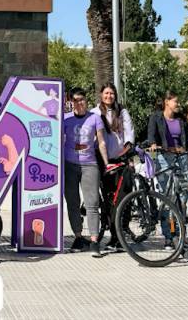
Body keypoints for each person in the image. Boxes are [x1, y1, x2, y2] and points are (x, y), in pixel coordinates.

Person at [63, 88, 110, 258]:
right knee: (72, 202)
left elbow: (102, 142)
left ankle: (94, 240)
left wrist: (107, 164)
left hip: (89, 164)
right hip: (69, 165)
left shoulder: (95, 118)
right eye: (75, 100)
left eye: (81, 99)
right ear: (71, 102)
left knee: (92, 203)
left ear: (86, 100)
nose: (79, 103)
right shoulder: (65, 119)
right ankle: (78, 237)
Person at [90, 83, 134, 251]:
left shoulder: (122, 112)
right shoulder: (95, 112)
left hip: (120, 159)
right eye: (106, 93)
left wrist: (128, 150)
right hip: (103, 161)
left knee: (122, 198)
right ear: (101, 95)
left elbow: (129, 132)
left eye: (112, 93)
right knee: (109, 199)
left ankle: (119, 236)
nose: (109, 96)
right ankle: (113, 234)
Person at [146, 91, 188, 250]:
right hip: (164, 157)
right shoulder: (156, 117)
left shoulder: (180, 119)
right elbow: (151, 136)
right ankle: (169, 236)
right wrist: (153, 144)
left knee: (182, 197)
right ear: (167, 102)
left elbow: (185, 137)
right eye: (175, 101)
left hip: (181, 157)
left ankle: (181, 234)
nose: (178, 104)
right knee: (167, 199)